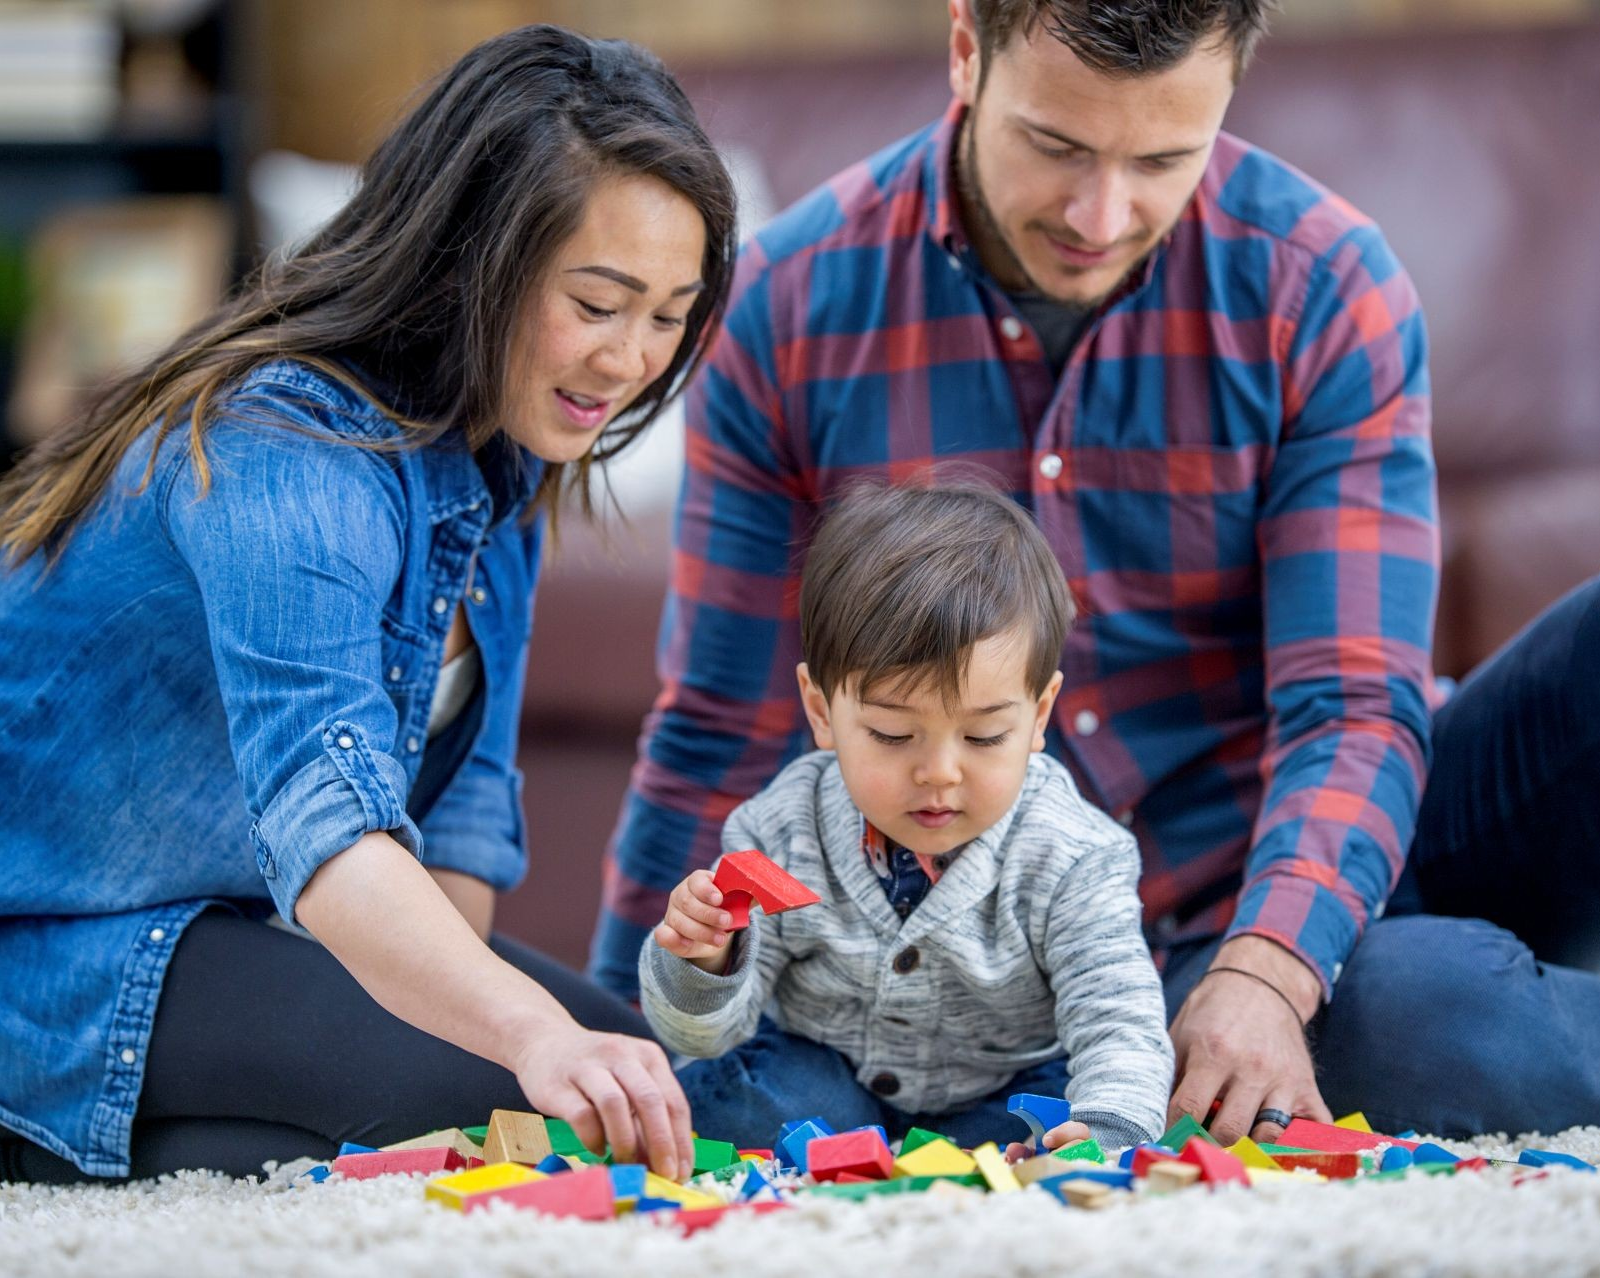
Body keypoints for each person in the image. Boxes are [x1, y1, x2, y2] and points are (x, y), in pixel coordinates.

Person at [594, 0, 1600, 1145]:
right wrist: (625, 1032)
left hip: (1307, 851)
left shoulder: (1321, 281)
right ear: (967, 50)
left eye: (1164, 158)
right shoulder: (786, 303)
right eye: (1057, 146)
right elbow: (719, 724)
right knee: (1437, 1023)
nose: (1099, 214)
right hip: (1066, 985)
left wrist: (1269, 971)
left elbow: (1350, 703)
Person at [0, 24, 736, 1184]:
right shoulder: (283, 449)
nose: (631, 359)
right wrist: (511, 1042)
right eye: (597, 303)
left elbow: (463, 817)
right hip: (61, 945)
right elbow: (327, 814)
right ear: (465, 262)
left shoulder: (505, 458)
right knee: (500, 1085)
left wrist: (497, 1049)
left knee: (638, 1085)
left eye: (668, 313)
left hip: (235, 927)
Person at [640, 484, 1173, 1152]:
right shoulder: (779, 830)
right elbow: (701, 1035)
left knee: (1047, 1112)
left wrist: (1106, 1131)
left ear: (1038, 716)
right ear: (821, 709)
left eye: (983, 738)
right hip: (825, 1086)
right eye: (893, 735)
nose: (940, 773)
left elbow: (1118, 1018)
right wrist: (706, 963)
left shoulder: (1075, 854)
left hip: (998, 1096)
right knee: (751, 1096)